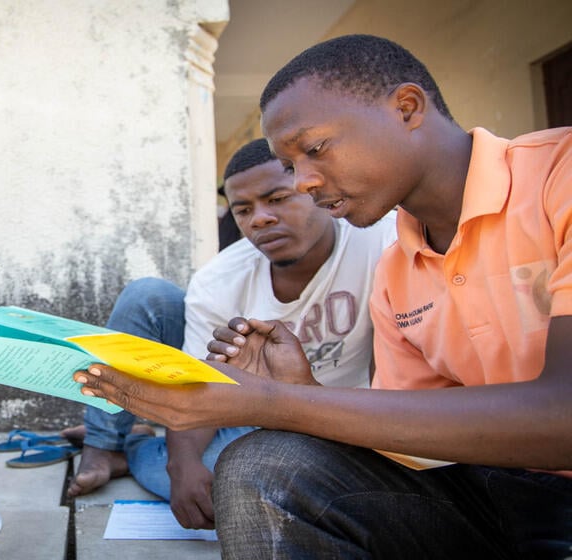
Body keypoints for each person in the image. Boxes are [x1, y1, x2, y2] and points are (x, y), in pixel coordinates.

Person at [74, 34, 572, 558]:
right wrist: (302, 388)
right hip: (490, 493)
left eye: (313, 150)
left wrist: (280, 400)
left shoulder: (557, 177)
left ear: (406, 108)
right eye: (291, 167)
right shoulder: (399, 267)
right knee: (259, 465)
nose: (306, 182)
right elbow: (411, 443)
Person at [66, 138, 397, 532]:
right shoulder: (220, 279)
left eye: (277, 198)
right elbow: (197, 388)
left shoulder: (382, 242)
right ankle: (110, 443)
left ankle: (136, 445)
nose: (260, 218)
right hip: (247, 412)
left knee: (253, 478)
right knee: (207, 479)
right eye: (243, 210)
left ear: (314, 189)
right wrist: (182, 467)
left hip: (350, 420)